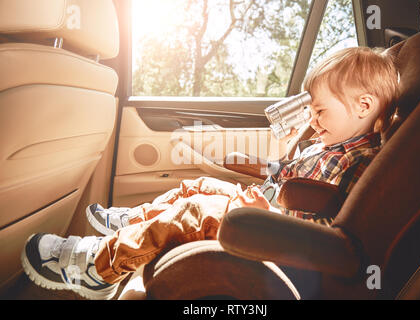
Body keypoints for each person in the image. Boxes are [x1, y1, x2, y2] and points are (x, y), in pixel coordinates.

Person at [20, 47, 399, 300]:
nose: (313, 121)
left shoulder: (360, 161)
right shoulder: (329, 144)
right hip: (273, 211)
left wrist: (271, 211)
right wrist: (269, 168)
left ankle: (98, 267)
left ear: (364, 105)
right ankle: (135, 221)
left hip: (287, 238)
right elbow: (291, 171)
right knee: (201, 186)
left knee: (198, 211)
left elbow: (329, 224)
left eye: (321, 112)